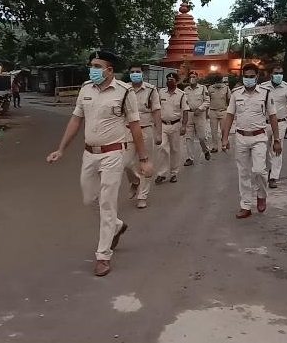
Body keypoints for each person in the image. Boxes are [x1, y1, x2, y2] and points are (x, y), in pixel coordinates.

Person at [46, 51, 153, 277]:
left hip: (113, 154)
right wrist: (61, 149)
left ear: (109, 70)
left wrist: (143, 159)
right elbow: (76, 119)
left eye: (97, 65)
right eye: (91, 65)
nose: (92, 69)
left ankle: (103, 256)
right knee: (89, 199)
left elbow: (135, 127)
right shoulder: (86, 89)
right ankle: (116, 225)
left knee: (106, 204)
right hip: (89, 154)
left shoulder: (124, 92)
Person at [221, 63, 281, 219]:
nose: (248, 79)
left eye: (251, 76)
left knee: (259, 170)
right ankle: (245, 206)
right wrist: (225, 138)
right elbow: (229, 116)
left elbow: (273, 117)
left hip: (259, 137)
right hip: (240, 137)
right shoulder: (236, 94)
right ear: (243, 77)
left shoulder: (266, 94)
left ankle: (261, 195)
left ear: (257, 77)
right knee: (243, 173)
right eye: (246, 76)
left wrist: (277, 140)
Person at [123, 65, 162, 209]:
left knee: (145, 164)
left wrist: (158, 133)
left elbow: (156, 112)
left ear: (142, 74)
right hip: (127, 131)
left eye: (137, 72)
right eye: (132, 72)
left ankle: (142, 196)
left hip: (145, 130)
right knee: (125, 163)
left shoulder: (151, 90)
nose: (134, 74)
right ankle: (135, 181)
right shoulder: (124, 89)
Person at [259, 65, 287, 189]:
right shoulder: (262, 87)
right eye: (276, 73)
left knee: (276, 149)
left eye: (280, 73)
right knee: (262, 150)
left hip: (281, 122)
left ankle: (273, 177)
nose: (278, 75)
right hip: (264, 123)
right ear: (271, 74)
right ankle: (264, 172)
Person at [155, 73, 189, 184]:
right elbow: (156, 108)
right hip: (163, 124)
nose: (169, 81)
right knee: (162, 149)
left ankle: (174, 173)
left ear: (177, 81)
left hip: (176, 125)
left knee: (175, 150)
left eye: (172, 79)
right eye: (168, 79)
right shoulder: (161, 93)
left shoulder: (182, 94)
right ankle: (162, 174)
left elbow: (185, 111)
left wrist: (184, 126)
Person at [183, 71, 211, 165]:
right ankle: (190, 158)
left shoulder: (203, 88)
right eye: (190, 77)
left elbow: (207, 101)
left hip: (199, 115)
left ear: (197, 78)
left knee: (202, 137)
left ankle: (206, 150)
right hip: (189, 115)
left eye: (194, 77)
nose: (192, 78)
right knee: (188, 138)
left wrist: (200, 108)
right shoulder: (185, 90)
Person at [208, 76, 231, 153]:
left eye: (219, 81)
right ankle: (215, 147)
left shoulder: (226, 88)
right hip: (213, 111)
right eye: (216, 82)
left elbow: (229, 99)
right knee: (213, 130)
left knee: (224, 129)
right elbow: (208, 99)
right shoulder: (210, 88)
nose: (218, 83)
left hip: (223, 111)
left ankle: (225, 142)